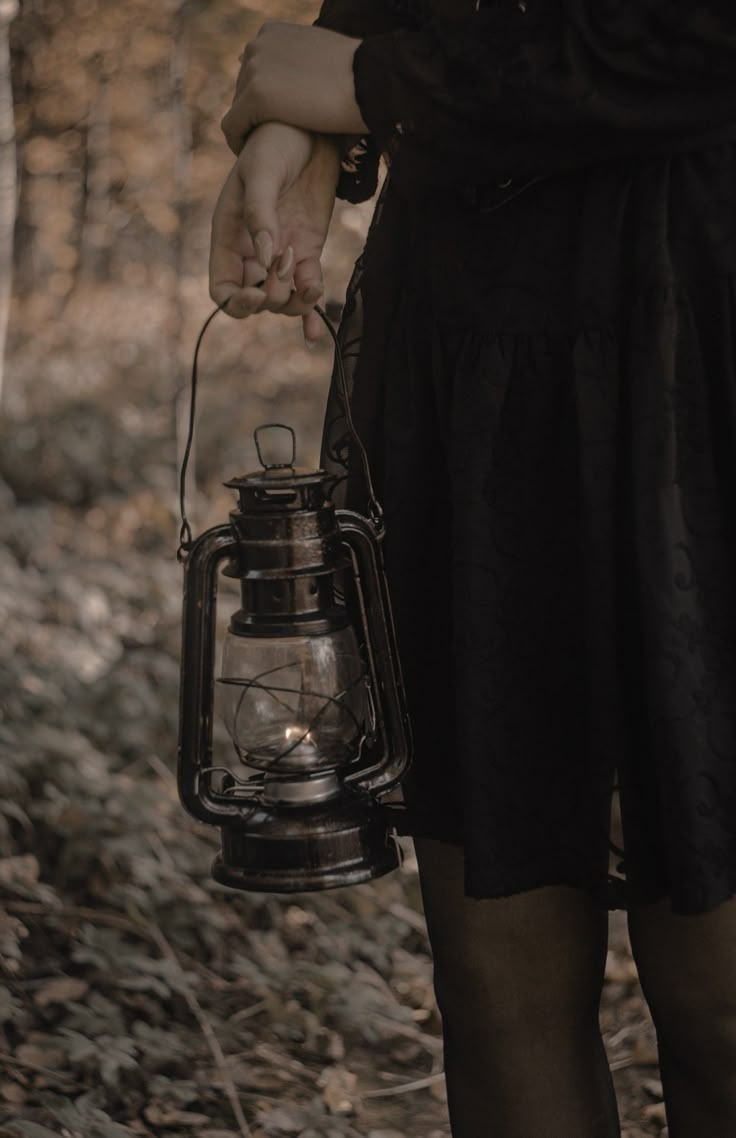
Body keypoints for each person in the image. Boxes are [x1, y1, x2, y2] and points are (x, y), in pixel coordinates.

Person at [208, 3, 736, 1134]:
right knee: (500, 984)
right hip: (469, 344)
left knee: (720, 994)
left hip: (704, 327)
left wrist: (367, 85)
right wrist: (302, 136)